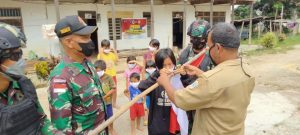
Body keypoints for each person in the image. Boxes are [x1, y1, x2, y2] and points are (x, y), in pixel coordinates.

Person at [157, 23, 255, 135]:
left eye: (208, 47)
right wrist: (200, 73)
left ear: (218, 48)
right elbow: (222, 88)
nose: (207, 50)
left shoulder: (210, 81)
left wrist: (165, 83)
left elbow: (180, 100)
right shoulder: (247, 70)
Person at [48, 15, 107, 134]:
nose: (90, 41)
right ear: (69, 42)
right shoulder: (60, 78)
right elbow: (62, 128)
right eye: (85, 37)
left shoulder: (87, 63)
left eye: (89, 36)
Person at [0, 23, 61, 134]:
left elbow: (41, 120)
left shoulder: (24, 85)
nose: (21, 61)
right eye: (15, 55)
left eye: (20, 54)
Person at [178, 19, 213, 134]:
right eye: (192, 37)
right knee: (187, 125)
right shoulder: (184, 54)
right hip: (188, 96)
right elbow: (179, 75)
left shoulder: (212, 54)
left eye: (199, 38)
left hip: (205, 99)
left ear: (206, 39)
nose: (195, 40)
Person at [139, 48, 181, 135]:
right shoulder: (156, 79)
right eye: (163, 66)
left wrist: (184, 76)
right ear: (158, 67)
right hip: (157, 126)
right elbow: (142, 86)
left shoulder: (178, 78)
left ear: (174, 62)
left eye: (170, 64)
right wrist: (157, 74)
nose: (167, 68)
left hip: (175, 125)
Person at [94, 60, 117, 135]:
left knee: (110, 116)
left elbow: (113, 88)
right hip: (98, 104)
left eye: (99, 70)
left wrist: (106, 96)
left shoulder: (109, 77)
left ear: (104, 70)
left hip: (107, 102)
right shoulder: (94, 78)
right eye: (96, 70)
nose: (97, 72)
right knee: (100, 118)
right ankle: (103, 129)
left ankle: (111, 129)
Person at [97, 39, 119, 108]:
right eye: (105, 48)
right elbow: (99, 63)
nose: (107, 49)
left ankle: (114, 103)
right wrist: (100, 53)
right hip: (105, 76)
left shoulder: (111, 54)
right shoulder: (100, 55)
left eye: (108, 47)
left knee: (114, 89)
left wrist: (114, 51)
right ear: (102, 48)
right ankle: (106, 103)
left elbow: (117, 61)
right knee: (105, 90)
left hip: (113, 75)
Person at [143, 60, 157, 126]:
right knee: (148, 106)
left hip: (156, 93)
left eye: (151, 67)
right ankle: (150, 119)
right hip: (148, 94)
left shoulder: (157, 74)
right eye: (148, 67)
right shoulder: (145, 75)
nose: (150, 69)